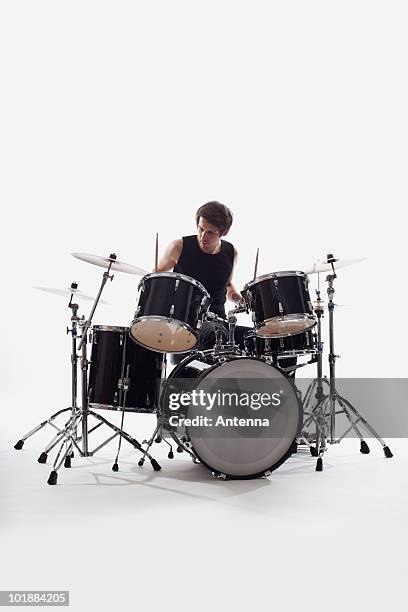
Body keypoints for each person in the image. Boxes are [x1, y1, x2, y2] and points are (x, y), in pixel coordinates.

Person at [156, 201, 248, 351]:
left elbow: (228, 285)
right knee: (216, 336)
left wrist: (238, 298)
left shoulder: (231, 252)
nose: (203, 236)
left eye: (210, 232)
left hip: (219, 320)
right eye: (201, 229)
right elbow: (157, 277)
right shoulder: (179, 247)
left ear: (223, 233)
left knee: (265, 339)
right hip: (186, 323)